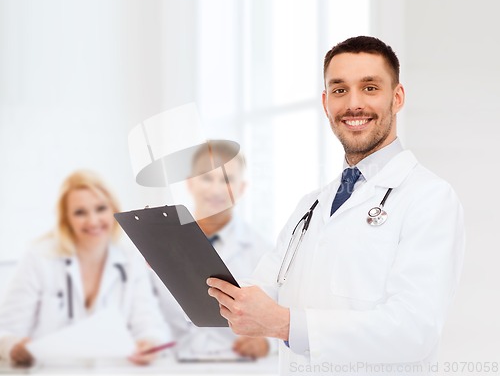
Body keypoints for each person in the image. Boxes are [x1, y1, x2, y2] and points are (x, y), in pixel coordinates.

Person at [207, 36, 465, 375]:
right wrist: (184, 264)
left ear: (397, 98)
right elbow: (262, 290)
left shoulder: (429, 197)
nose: (353, 104)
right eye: (340, 90)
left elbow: (414, 329)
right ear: (326, 102)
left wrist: (287, 325)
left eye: (370, 88)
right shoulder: (311, 204)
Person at [0, 170, 173, 366]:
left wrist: (149, 343)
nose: (93, 221)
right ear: (66, 219)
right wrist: (14, 347)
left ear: (113, 209)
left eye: (100, 208)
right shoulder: (40, 259)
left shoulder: (130, 259)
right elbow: (5, 330)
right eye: (80, 212)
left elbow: (150, 324)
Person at [153, 140, 273, 360]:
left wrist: (266, 344)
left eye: (226, 180)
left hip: (235, 366)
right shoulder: (160, 243)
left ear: (242, 188)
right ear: (190, 183)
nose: (216, 189)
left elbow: (280, 318)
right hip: (172, 365)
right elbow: (144, 312)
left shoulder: (263, 251)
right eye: (207, 178)